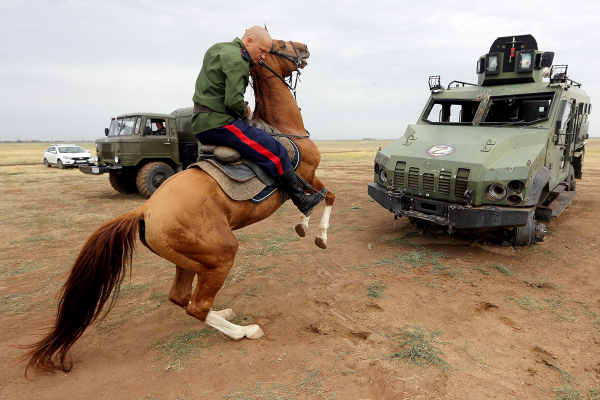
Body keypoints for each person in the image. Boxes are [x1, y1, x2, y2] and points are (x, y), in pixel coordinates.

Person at [191, 26, 327, 216]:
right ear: (248, 42)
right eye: (262, 51)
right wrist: (244, 109)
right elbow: (232, 101)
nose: (263, 56)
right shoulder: (239, 60)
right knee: (278, 152)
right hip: (221, 124)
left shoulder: (217, 48)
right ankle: (302, 200)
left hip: (200, 122)